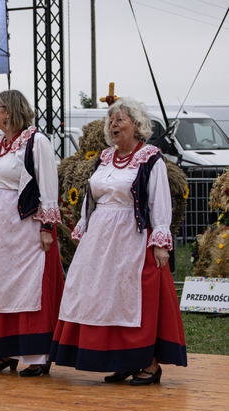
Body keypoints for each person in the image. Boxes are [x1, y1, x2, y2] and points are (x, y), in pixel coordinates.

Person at [50, 98, 187, 384]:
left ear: (137, 126)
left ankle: (148, 364)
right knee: (102, 298)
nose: (114, 124)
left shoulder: (150, 159)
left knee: (128, 300)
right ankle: (122, 360)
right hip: (100, 237)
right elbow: (91, 197)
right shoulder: (104, 158)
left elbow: (159, 200)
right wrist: (84, 230)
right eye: (111, 120)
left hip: (131, 236)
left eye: (121, 119)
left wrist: (160, 240)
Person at [0, 90, 63, 376]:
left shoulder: (37, 142)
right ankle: (4, 352)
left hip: (24, 226)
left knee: (25, 286)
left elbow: (48, 185)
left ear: (9, 111)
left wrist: (47, 226)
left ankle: (37, 355)